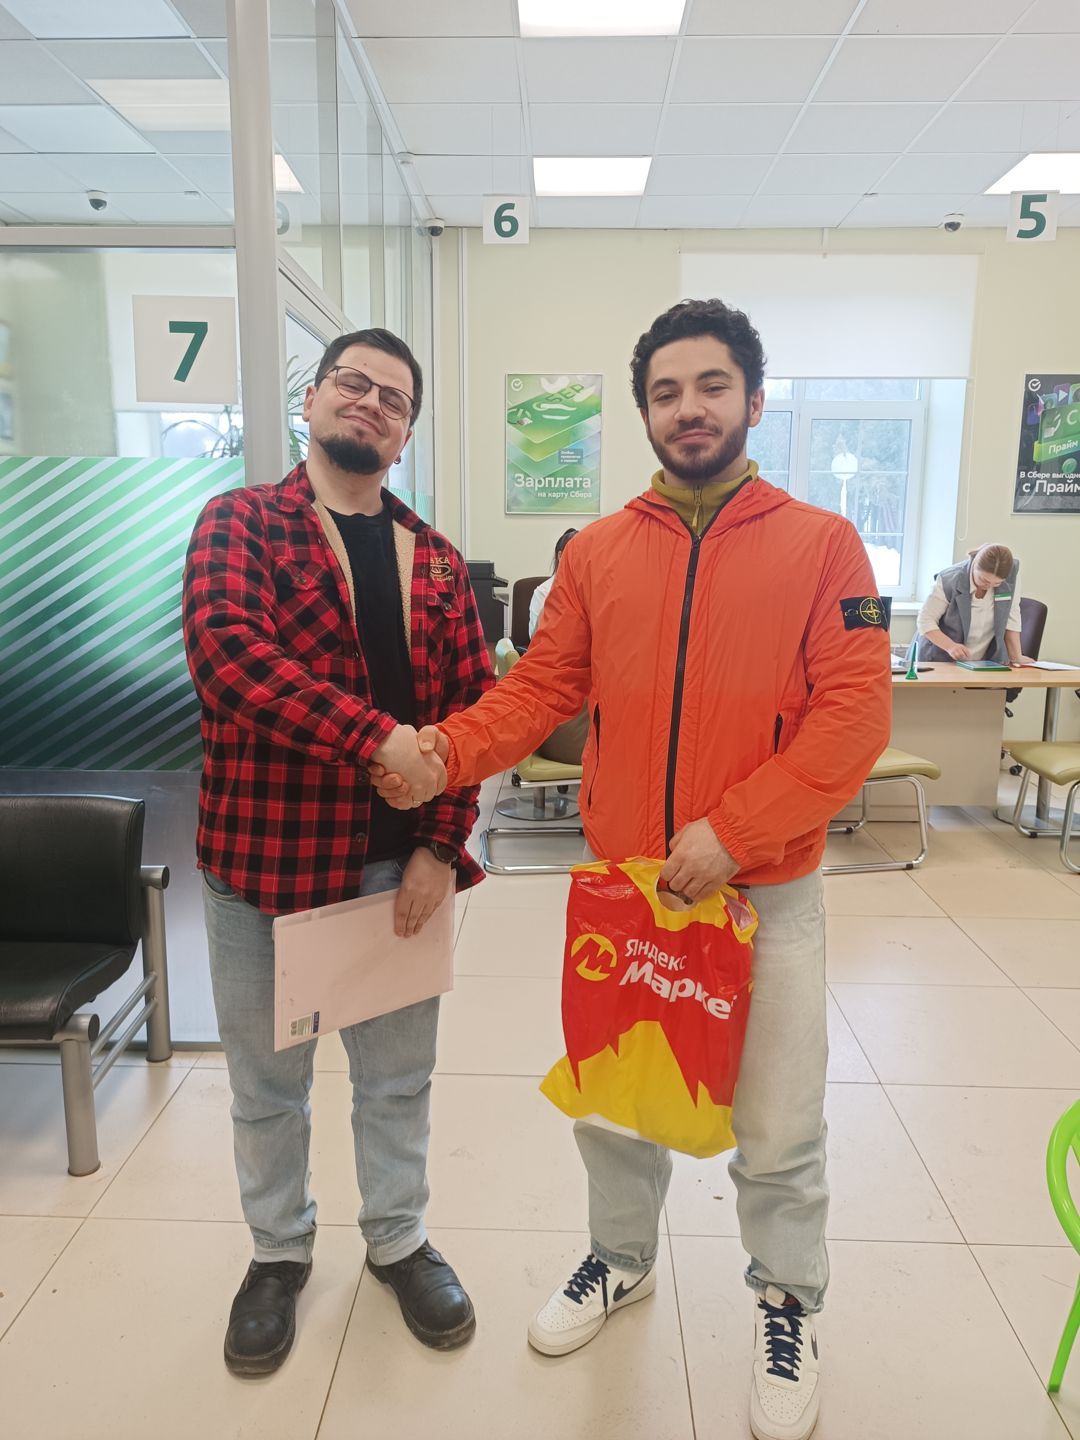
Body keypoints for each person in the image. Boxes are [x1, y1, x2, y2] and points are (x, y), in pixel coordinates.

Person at [373, 299, 892, 1440]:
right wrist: (446, 751)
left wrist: (734, 833)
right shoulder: (599, 553)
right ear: (644, 412)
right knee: (616, 1105)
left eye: (711, 386)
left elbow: (854, 719)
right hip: (630, 891)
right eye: (665, 392)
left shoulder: (826, 547)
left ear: (754, 402)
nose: (688, 408)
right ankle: (620, 1258)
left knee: (779, 1123)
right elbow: (542, 689)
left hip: (763, 896)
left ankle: (787, 1304)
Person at [182, 327, 493, 1376]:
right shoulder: (240, 523)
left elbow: (472, 716)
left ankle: (397, 1240)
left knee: (397, 1081)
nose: (370, 403)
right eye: (352, 383)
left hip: (397, 871)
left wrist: (441, 845)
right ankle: (278, 1252)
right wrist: (375, 740)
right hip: (264, 867)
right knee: (267, 1089)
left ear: (404, 435)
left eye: (393, 398)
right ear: (312, 400)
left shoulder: (436, 561)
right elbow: (232, 658)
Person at [528, 528, 590, 765]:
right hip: (567, 724)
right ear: (561, 556)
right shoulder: (552, 596)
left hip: (553, 717)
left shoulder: (573, 596)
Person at [916, 543, 1034, 666]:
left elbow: (1012, 616)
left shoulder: (1011, 575)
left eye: (997, 583)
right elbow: (925, 620)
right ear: (974, 564)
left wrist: (1016, 656)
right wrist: (950, 646)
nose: (989, 586)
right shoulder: (950, 579)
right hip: (940, 658)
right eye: (984, 580)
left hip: (981, 661)